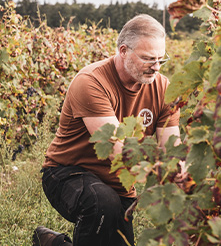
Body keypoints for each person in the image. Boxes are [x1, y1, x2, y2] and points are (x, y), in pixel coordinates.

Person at [33, 14, 180, 246]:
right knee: (103, 205)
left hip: (118, 184)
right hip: (67, 173)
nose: (156, 67)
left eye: (161, 59)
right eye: (148, 59)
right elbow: (117, 152)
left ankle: (52, 243)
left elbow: (171, 148)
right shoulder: (91, 82)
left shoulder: (164, 89)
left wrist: (184, 176)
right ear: (123, 51)